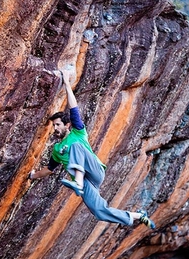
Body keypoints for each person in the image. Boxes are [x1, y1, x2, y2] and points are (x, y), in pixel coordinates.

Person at [29, 69, 155, 229]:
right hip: (88, 183)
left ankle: (79, 182)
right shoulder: (57, 148)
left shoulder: (78, 132)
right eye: (53, 126)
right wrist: (32, 176)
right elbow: (49, 169)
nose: (55, 128)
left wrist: (67, 83)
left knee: (75, 147)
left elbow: (73, 107)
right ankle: (137, 216)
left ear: (67, 125)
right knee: (98, 211)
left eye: (58, 125)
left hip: (95, 172)